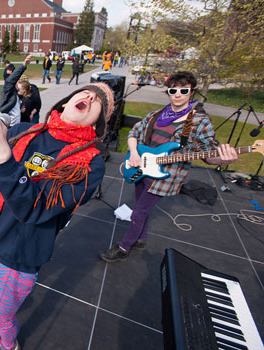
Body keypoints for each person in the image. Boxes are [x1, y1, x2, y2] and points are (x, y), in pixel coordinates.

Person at [0, 82, 114, 350]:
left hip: (17, 259)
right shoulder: (23, 130)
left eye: (100, 101)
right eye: (87, 91)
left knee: (4, 319)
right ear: (66, 101)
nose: (91, 96)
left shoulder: (91, 163)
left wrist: (4, 154)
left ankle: (8, 344)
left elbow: (36, 208)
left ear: (99, 122)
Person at [99, 72, 239, 262]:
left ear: (192, 91)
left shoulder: (199, 121)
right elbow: (134, 132)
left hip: (165, 177)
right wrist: (133, 153)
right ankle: (141, 239)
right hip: (143, 168)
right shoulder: (157, 114)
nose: (178, 94)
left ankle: (124, 247)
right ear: (168, 92)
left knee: (138, 212)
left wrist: (224, 159)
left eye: (184, 90)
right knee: (142, 209)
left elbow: (209, 154)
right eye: (174, 90)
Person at [0, 56, 33, 126]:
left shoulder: (15, 93)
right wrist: (23, 65)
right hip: (9, 126)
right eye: (16, 82)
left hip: (16, 125)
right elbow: (11, 80)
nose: (17, 83)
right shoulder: (7, 90)